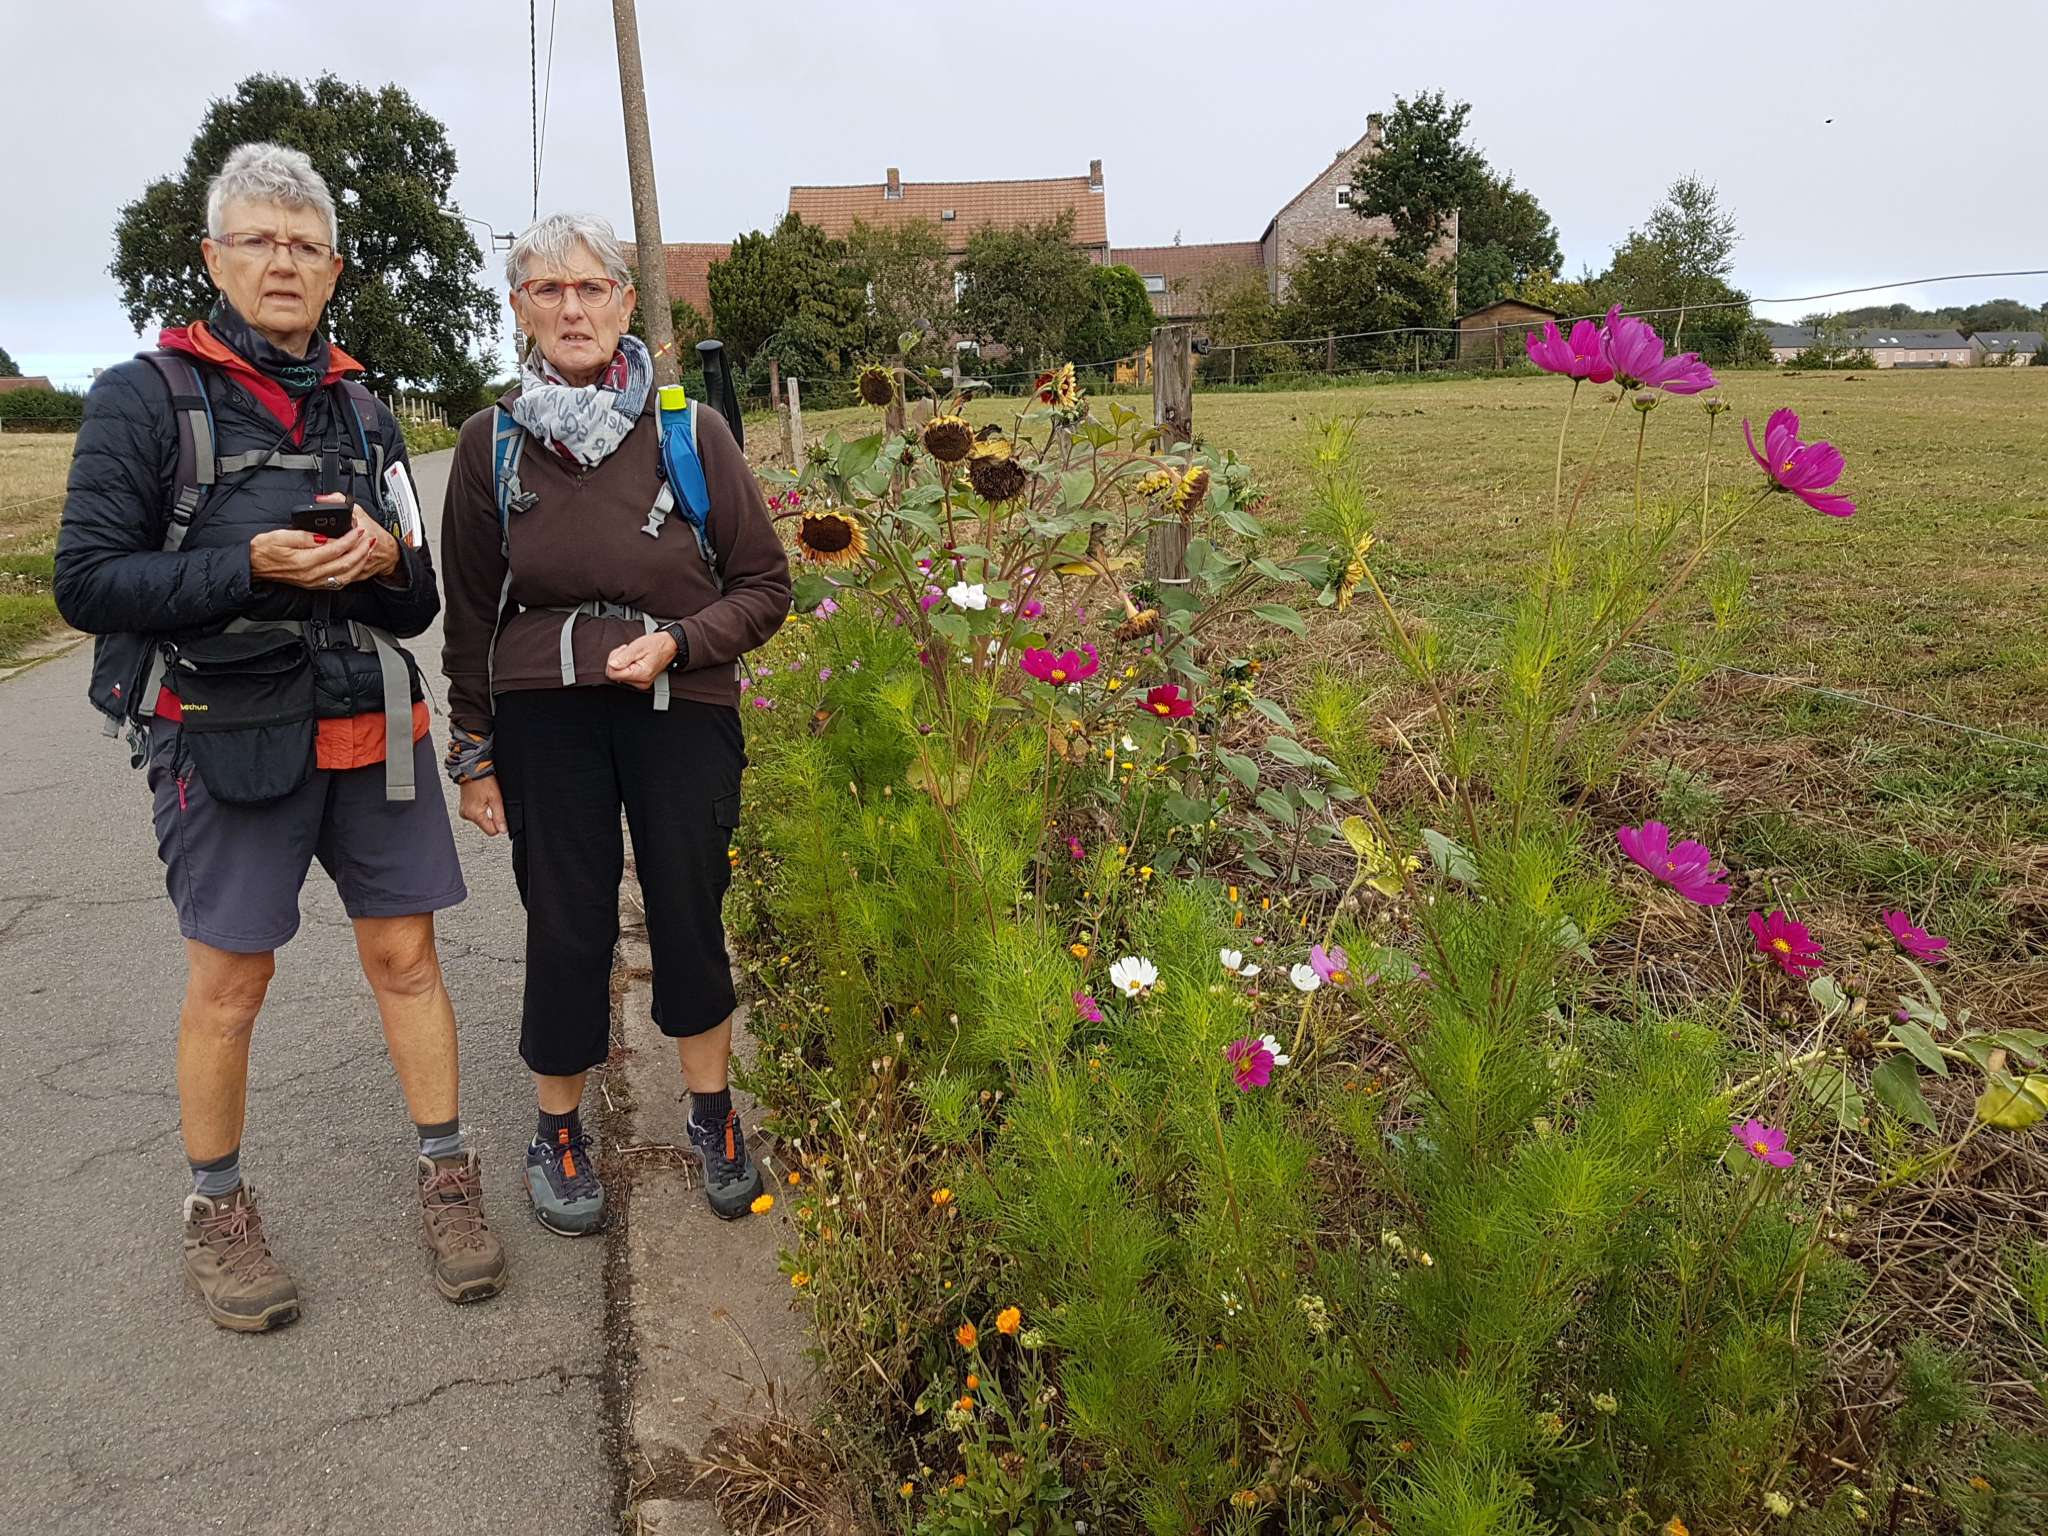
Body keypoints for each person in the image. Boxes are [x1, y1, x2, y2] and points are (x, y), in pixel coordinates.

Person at [55, 142, 505, 1332]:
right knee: (231, 981)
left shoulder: (366, 410)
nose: (283, 263)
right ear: (213, 258)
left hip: (368, 723)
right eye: (258, 241)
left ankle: (447, 1175)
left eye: (306, 246)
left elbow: (414, 604)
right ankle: (216, 1207)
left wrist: (381, 562)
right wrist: (247, 566)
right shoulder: (142, 398)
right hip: (224, 730)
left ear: (335, 269)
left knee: (407, 958)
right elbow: (86, 584)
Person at [438, 213, 790, 1234]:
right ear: (520, 310)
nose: (573, 308)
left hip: (683, 706)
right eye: (548, 290)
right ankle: (557, 1131)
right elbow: (470, 615)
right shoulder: (491, 444)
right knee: (565, 919)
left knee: (688, 908)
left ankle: (713, 1114)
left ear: (627, 303)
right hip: (544, 718)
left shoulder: (691, 430)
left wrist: (680, 642)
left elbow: (765, 587)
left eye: (592, 287)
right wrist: (473, 752)